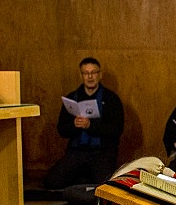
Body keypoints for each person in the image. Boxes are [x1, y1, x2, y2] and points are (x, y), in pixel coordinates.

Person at [44, 57, 125, 191]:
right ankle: (82, 178)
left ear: (100, 75)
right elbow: (61, 130)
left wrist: (90, 126)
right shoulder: (71, 98)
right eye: (86, 73)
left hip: (102, 152)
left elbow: (116, 130)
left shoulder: (111, 99)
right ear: (81, 75)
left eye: (93, 72)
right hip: (77, 152)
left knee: (104, 187)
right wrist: (74, 124)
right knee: (52, 182)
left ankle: (85, 178)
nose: (90, 77)